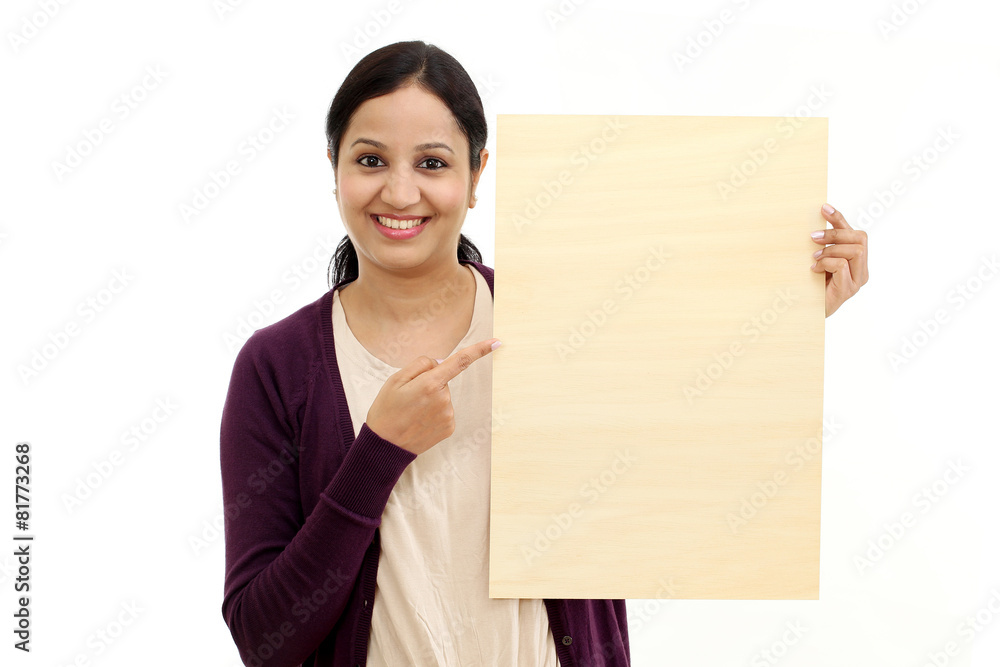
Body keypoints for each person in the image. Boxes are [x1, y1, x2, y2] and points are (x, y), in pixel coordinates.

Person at [219, 40, 868, 667]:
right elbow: (265, 639)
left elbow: (688, 447)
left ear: (477, 176)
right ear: (333, 168)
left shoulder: (569, 316)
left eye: (433, 163)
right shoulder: (276, 367)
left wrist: (790, 318)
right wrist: (379, 449)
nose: (399, 191)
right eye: (369, 160)